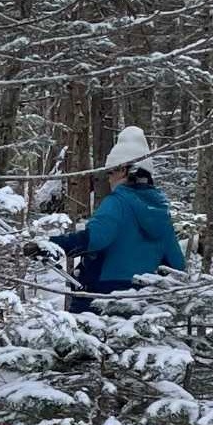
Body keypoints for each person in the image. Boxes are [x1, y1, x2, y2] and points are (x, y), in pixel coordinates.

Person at [49, 126, 185, 310]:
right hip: (146, 303)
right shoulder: (161, 212)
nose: (109, 178)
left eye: (111, 172)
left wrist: (52, 244)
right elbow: (177, 265)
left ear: (124, 170)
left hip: (104, 297)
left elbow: (95, 238)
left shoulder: (117, 202)